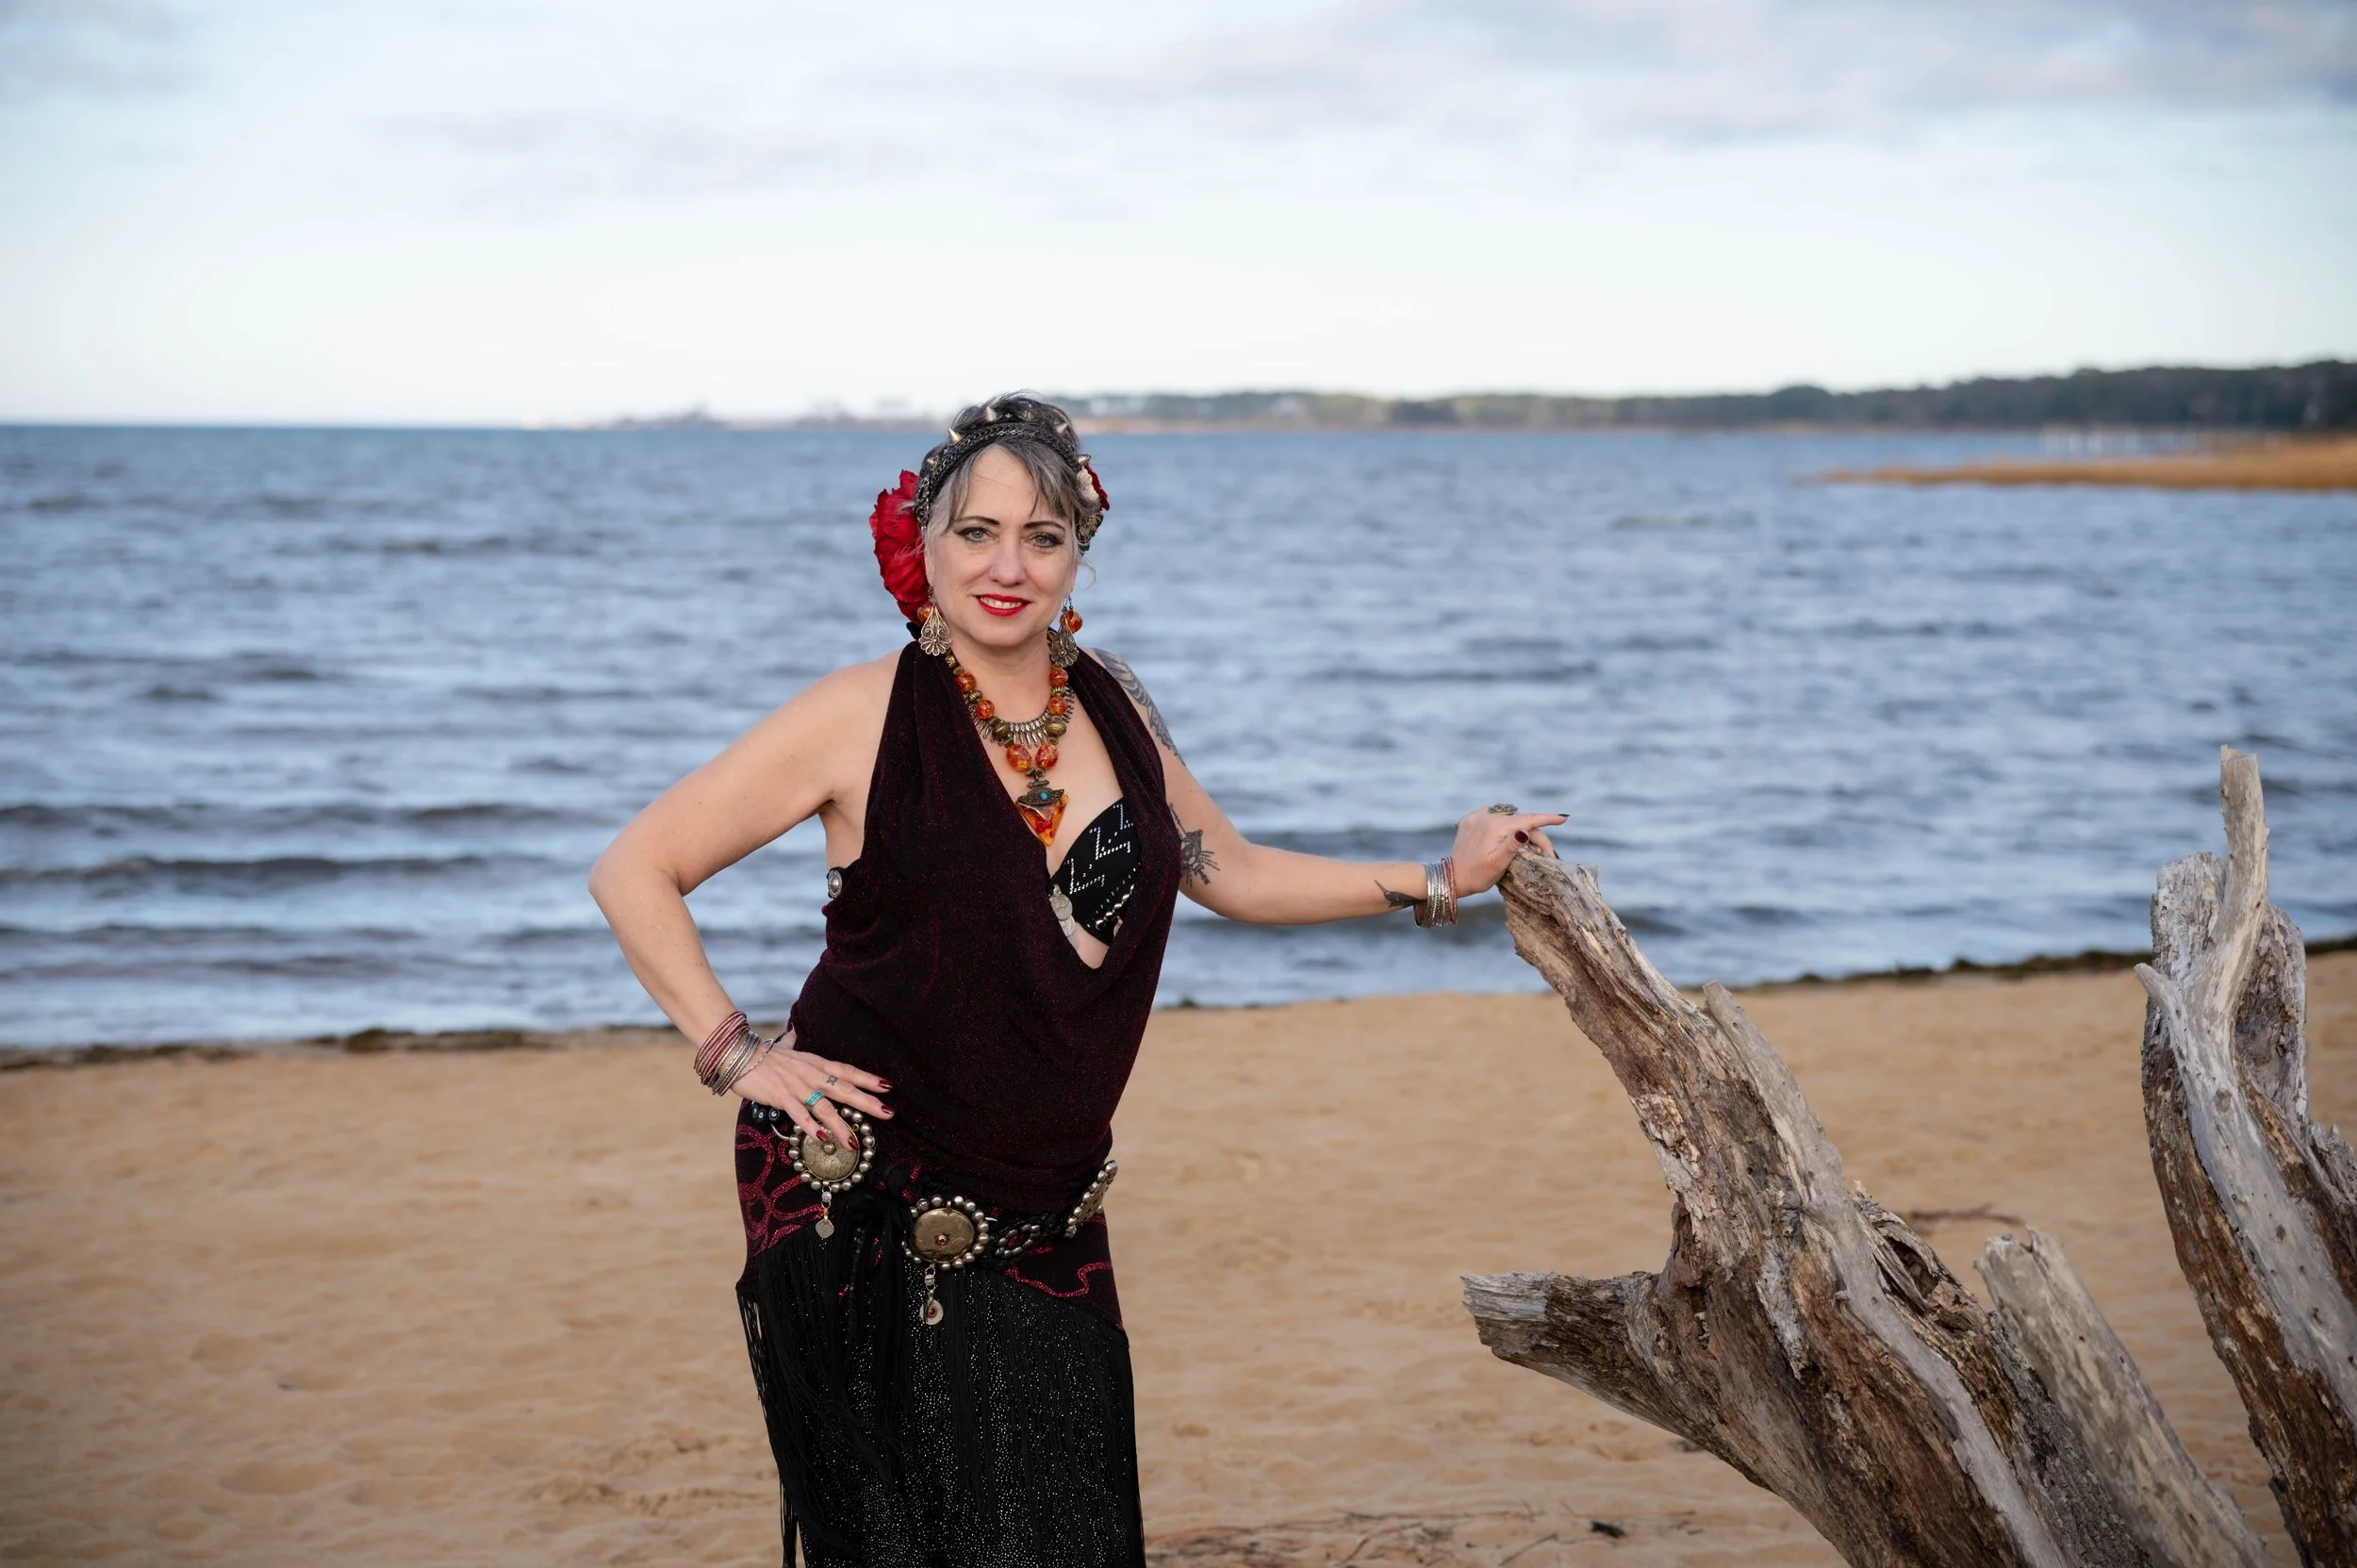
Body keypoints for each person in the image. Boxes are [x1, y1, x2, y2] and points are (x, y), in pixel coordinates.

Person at [588, 393, 1562, 1567]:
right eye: (977, 532)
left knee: (1068, 1521)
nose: (1007, 568)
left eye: (1041, 538)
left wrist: (1440, 877)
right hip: (860, 1182)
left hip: (1047, 1192)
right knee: (903, 1537)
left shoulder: (1114, 698)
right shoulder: (856, 714)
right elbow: (635, 868)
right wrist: (738, 1054)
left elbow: (1231, 870)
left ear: (1077, 555)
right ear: (923, 541)